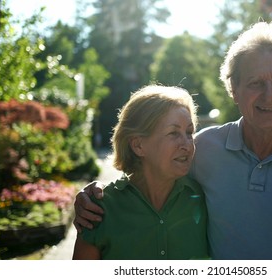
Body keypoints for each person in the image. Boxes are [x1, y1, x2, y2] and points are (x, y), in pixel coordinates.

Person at [74, 21, 272, 260]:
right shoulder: (204, 147)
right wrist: (95, 195)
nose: (270, 95)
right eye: (256, 82)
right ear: (233, 88)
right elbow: (150, 172)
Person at [72, 84, 209, 259]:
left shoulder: (203, 198)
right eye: (173, 133)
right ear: (138, 145)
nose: (187, 144)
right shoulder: (99, 209)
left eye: (189, 132)